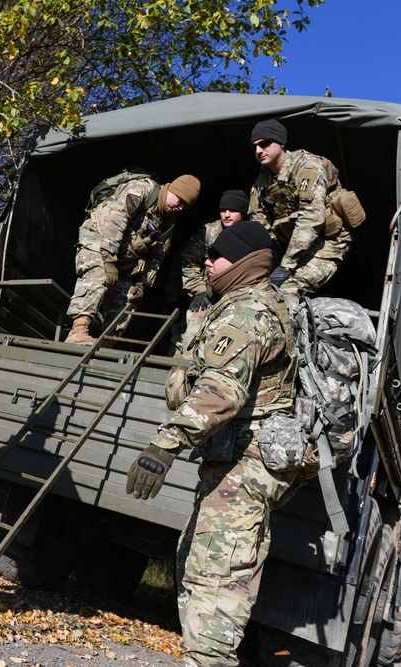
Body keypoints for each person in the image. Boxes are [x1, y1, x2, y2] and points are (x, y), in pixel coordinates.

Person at [125, 220, 300, 667]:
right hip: (236, 466)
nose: (207, 260)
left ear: (244, 263)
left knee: (215, 581)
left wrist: (164, 446)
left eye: (217, 255)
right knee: (199, 567)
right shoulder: (245, 304)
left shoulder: (248, 312)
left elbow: (222, 390)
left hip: (246, 467)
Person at [64, 173, 200, 345]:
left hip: (123, 257)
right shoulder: (143, 189)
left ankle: (108, 342)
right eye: (180, 201)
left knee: (129, 298)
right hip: (98, 241)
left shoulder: (169, 223)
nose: (180, 207)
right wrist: (108, 260)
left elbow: (157, 256)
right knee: (97, 274)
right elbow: (115, 222)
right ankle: (78, 329)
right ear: (171, 190)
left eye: (185, 206)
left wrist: (141, 284)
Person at [248, 119, 351, 298]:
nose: (258, 151)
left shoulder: (308, 166)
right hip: (291, 247)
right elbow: (258, 221)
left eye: (264, 143)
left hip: (328, 241)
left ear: (281, 142)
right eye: (254, 147)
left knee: (286, 291)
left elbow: (311, 218)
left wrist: (286, 265)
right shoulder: (262, 180)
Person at [170, 188, 249, 355]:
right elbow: (188, 261)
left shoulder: (251, 235)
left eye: (233, 210)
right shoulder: (209, 232)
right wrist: (198, 291)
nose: (227, 214)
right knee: (189, 341)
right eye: (223, 210)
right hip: (206, 296)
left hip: (237, 298)